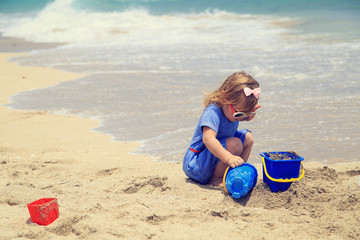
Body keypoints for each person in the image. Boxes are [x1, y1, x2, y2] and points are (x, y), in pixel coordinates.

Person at [183, 71, 261, 187]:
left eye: (244, 114)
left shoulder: (231, 111)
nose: (240, 118)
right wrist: (229, 158)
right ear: (225, 99)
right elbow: (208, 139)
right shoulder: (213, 112)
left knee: (248, 138)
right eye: (239, 114)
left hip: (212, 160)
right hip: (197, 165)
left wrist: (247, 115)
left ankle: (237, 171)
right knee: (235, 144)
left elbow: (235, 117)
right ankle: (216, 178)